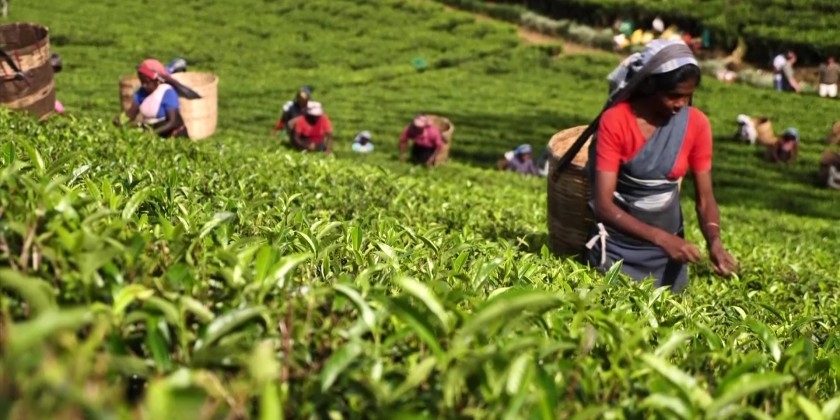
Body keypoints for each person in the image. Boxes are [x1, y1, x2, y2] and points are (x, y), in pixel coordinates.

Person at [585, 39, 737, 293]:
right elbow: (603, 206)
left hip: (668, 258)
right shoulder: (616, 121)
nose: (681, 103)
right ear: (650, 85)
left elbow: (705, 199)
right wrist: (662, 238)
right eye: (673, 95)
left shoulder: (696, 124)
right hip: (617, 250)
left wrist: (715, 242)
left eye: (688, 96)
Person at [113, 59, 190, 138]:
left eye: (147, 82)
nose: (144, 85)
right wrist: (120, 119)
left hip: (173, 135)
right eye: (142, 82)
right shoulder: (141, 93)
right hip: (154, 133)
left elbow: (173, 122)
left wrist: (152, 133)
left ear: (156, 79)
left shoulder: (167, 92)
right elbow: (131, 113)